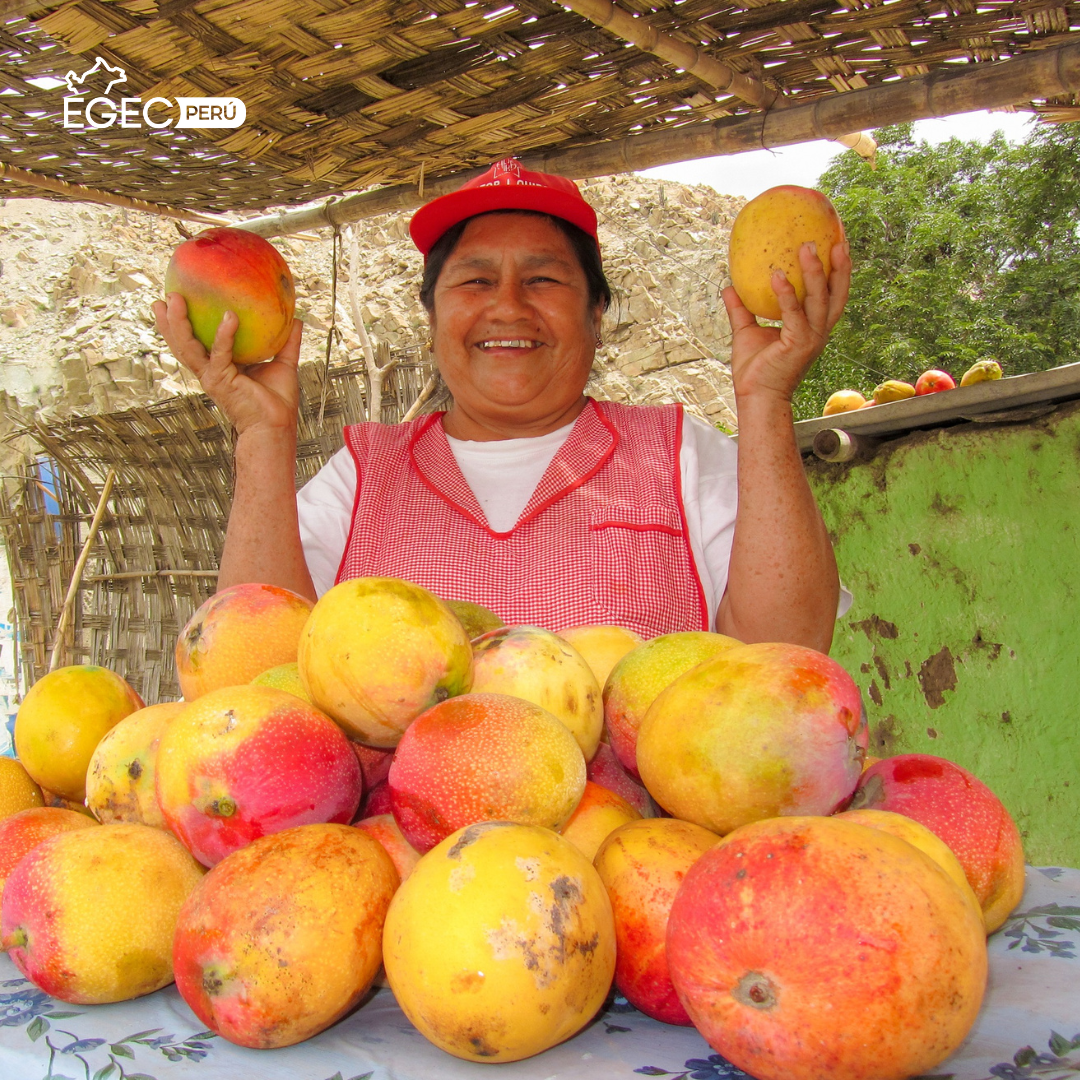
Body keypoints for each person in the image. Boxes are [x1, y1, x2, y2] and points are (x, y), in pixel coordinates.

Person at [154, 158, 850, 652]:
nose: (508, 307)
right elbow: (252, 664)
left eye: (544, 278)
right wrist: (262, 432)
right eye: (475, 280)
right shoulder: (362, 479)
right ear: (431, 316)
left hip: (639, 855)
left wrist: (765, 398)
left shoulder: (681, 457)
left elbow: (785, 654)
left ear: (596, 313)